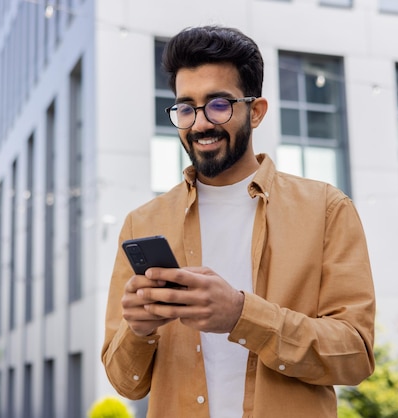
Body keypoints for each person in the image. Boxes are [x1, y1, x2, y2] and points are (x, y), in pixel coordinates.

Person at [102, 25, 375, 418]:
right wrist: (139, 330)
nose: (199, 124)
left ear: (256, 111)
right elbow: (124, 382)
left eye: (218, 104)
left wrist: (241, 315)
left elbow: (355, 356)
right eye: (185, 108)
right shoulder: (141, 224)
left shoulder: (326, 209)